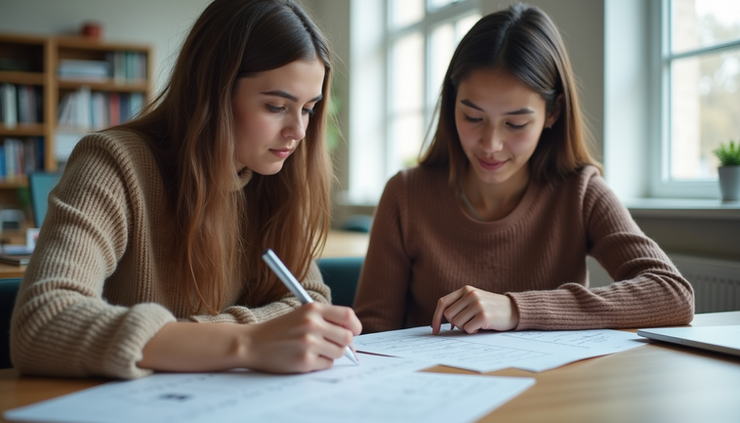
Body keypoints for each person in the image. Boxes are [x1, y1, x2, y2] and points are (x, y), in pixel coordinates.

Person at [10, 0, 361, 379]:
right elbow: (43, 321)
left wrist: (203, 338)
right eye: (277, 106)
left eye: (309, 108)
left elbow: (308, 304)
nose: (300, 131)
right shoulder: (113, 163)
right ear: (213, 92)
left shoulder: (275, 179)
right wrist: (247, 342)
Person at [353, 3, 694, 335]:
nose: (491, 144)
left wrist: (516, 309)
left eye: (515, 123)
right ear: (451, 102)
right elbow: (371, 333)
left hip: (551, 391)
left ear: (553, 113)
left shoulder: (581, 191)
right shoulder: (406, 194)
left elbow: (673, 294)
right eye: (473, 117)